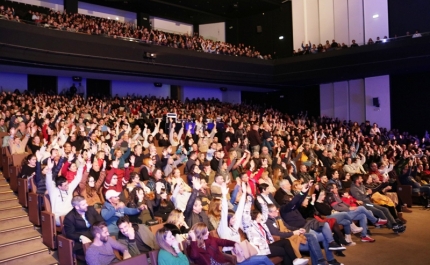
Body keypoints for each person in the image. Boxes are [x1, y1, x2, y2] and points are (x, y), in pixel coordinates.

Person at [242, 194, 308, 265]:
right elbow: (245, 216)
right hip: (260, 249)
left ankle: (296, 260)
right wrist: (248, 201)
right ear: (253, 219)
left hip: (267, 244)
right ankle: (294, 262)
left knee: (286, 242)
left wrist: (263, 203)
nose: (261, 218)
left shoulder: (261, 223)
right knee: (283, 251)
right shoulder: (249, 227)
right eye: (259, 217)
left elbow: (265, 213)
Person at [266, 203, 333, 265]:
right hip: (286, 238)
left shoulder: (278, 217)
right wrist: (293, 233)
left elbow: (288, 227)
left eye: (276, 210)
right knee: (312, 244)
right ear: (269, 213)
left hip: (290, 233)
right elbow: (278, 234)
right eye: (275, 211)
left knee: (311, 236)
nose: (277, 211)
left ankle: (320, 261)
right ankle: (320, 261)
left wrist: (298, 229)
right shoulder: (268, 222)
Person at [46, 155, 84, 225]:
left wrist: (81, 165)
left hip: (70, 214)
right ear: (59, 186)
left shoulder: (69, 188)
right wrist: (49, 170)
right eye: (65, 185)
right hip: (59, 217)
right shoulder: (53, 191)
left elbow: (78, 178)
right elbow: (48, 181)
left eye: (67, 184)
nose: (67, 186)